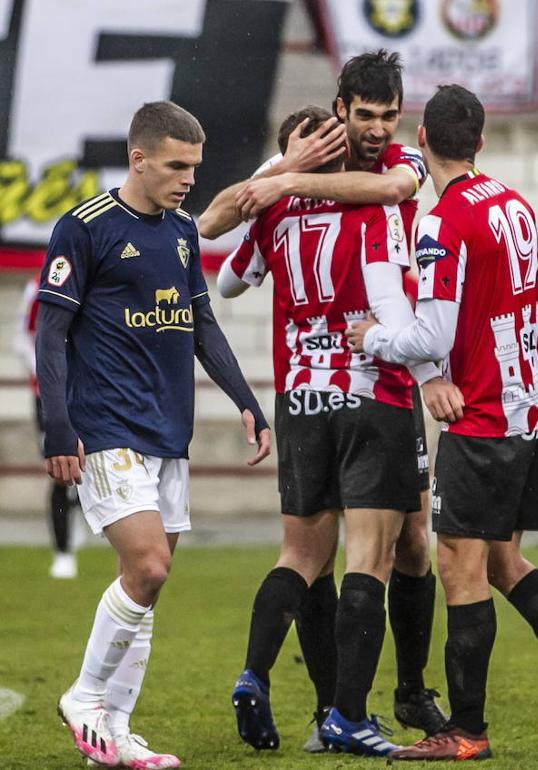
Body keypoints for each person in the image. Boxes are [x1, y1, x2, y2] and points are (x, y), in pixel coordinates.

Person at [347, 84, 538, 761]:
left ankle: (467, 729)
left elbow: (429, 333)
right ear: (480, 142)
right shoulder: (513, 203)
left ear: (420, 139)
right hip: (532, 408)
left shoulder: (442, 224)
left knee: (460, 570)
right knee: (505, 562)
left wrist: (370, 338)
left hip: (484, 420)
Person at [203, 51, 448, 749]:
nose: (377, 128)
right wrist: (427, 364)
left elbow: (223, 271)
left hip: (299, 396)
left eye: (387, 115)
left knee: (329, 552)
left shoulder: (326, 186)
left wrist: (283, 177)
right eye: (364, 115)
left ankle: (267, 677)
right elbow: (388, 292)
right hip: (375, 389)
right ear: (339, 111)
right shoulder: (373, 205)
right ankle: (345, 712)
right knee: (378, 550)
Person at [43, 101, 271, 769]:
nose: (188, 179)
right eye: (176, 165)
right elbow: (52, 333)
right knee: (148, 566)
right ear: (138, 158)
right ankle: (84, 700)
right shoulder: (84, 229)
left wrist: (247, 402)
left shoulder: (179, 233)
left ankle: (113, 732)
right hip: (107, 428)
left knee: (146, 584)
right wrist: (59, 426)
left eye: (195, 167)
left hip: (169, 433)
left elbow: (203, 325)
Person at [14, 276, 81, 579]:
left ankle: (77, 514)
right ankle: (63, 551)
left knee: (89, 468)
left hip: (88, 393)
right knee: (59, 470)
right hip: (49, 396)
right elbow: (22, 339)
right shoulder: (37, 286)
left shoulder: (95, 279)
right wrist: (47, 368)